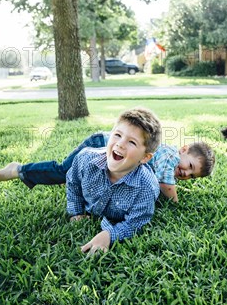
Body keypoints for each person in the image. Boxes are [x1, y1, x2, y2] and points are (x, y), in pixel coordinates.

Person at [0, 128, 215, 203]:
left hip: (114, 158)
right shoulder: (168, 155)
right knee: (64, 172)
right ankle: (19, 170)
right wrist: (175, 202)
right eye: (190, 166)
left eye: (191, 176)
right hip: (102, 146)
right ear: (183, 150)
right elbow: (166, 184)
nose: (186, 173)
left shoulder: (169, 166)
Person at [64, 107, 162, 253]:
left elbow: (135, 223)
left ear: (145, 157)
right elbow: (73, 183)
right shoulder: (85, 159)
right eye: (117, 135)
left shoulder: (146, 187)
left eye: (132, 142)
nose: (120, 144)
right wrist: (76, 212)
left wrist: (109, 235)